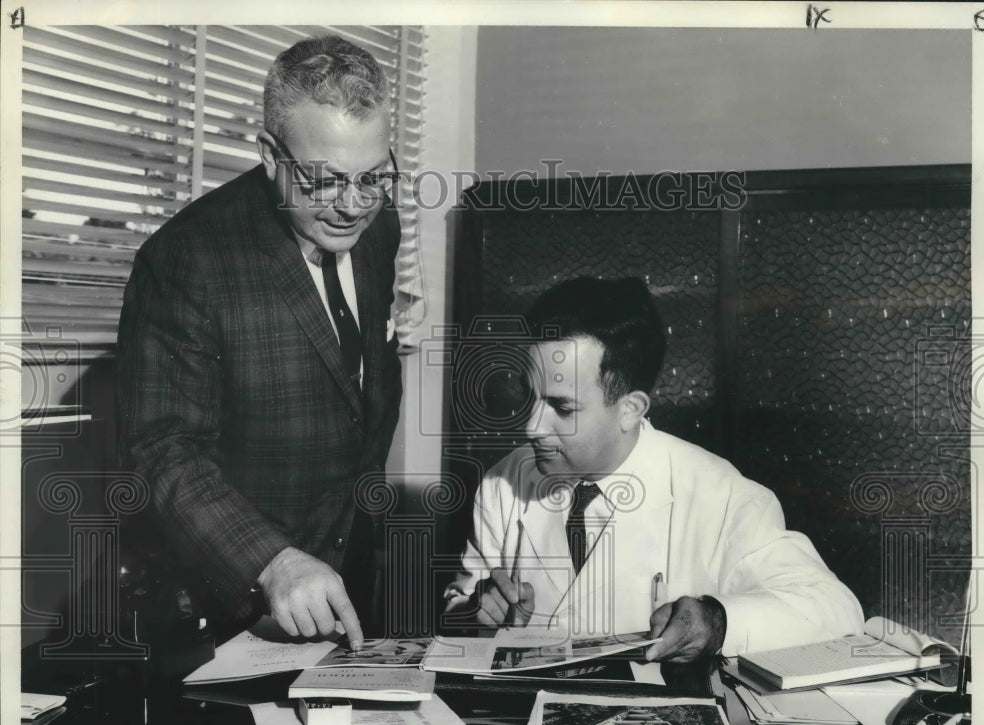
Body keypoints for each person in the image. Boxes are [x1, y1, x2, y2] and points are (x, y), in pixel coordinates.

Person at [117, 36, 404, 648]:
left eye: (373, 177)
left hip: (349, 584)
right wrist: (273, 562)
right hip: (229, 606)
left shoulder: (381, 228)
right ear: (271, 155)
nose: (353, 206)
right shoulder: (186, 258)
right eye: (326, 182)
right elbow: (162, 450)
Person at [444, 277, 864, 661]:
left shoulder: (721, 494)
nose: (530, 425)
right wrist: (476, 611)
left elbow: (835, 609)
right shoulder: (503, 482)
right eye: (529, 396)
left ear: (630, 409)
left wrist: (717, 623)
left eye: (561, 406)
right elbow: (459, 605)